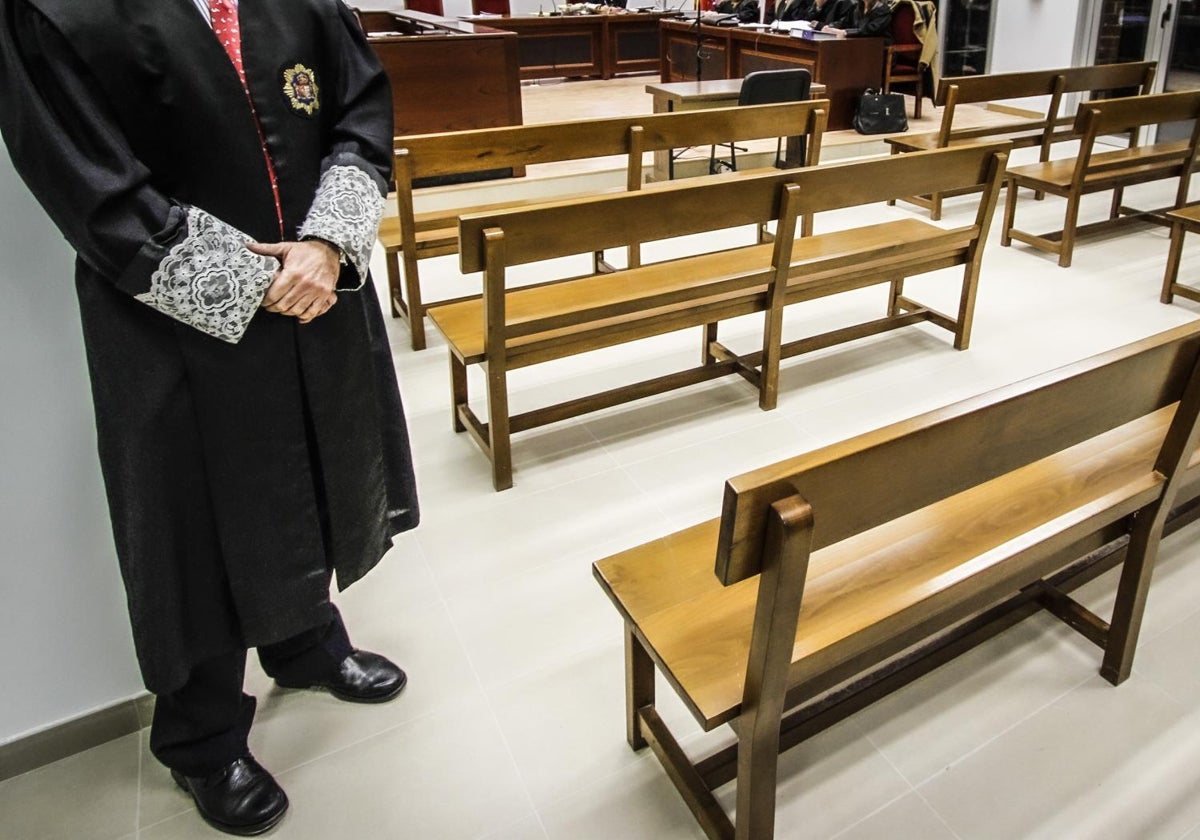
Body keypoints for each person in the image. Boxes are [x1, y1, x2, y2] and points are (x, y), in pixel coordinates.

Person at [0, 0, 419, 835]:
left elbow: (360, 108)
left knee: (315, 461)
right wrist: (258, 280)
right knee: (191, 521)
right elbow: (90, 188)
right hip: (170, 323)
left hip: (318, 290)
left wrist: (327, 244)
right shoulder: (51, 11)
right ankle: (202, 738)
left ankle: (305, 641)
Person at [824, 0, 894, 39]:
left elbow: (870, 30)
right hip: (858, 45)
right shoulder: (856, 7)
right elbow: (844, 22)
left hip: (878, 50)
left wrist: (846, 32)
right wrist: (830, 27)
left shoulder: (883, 10)